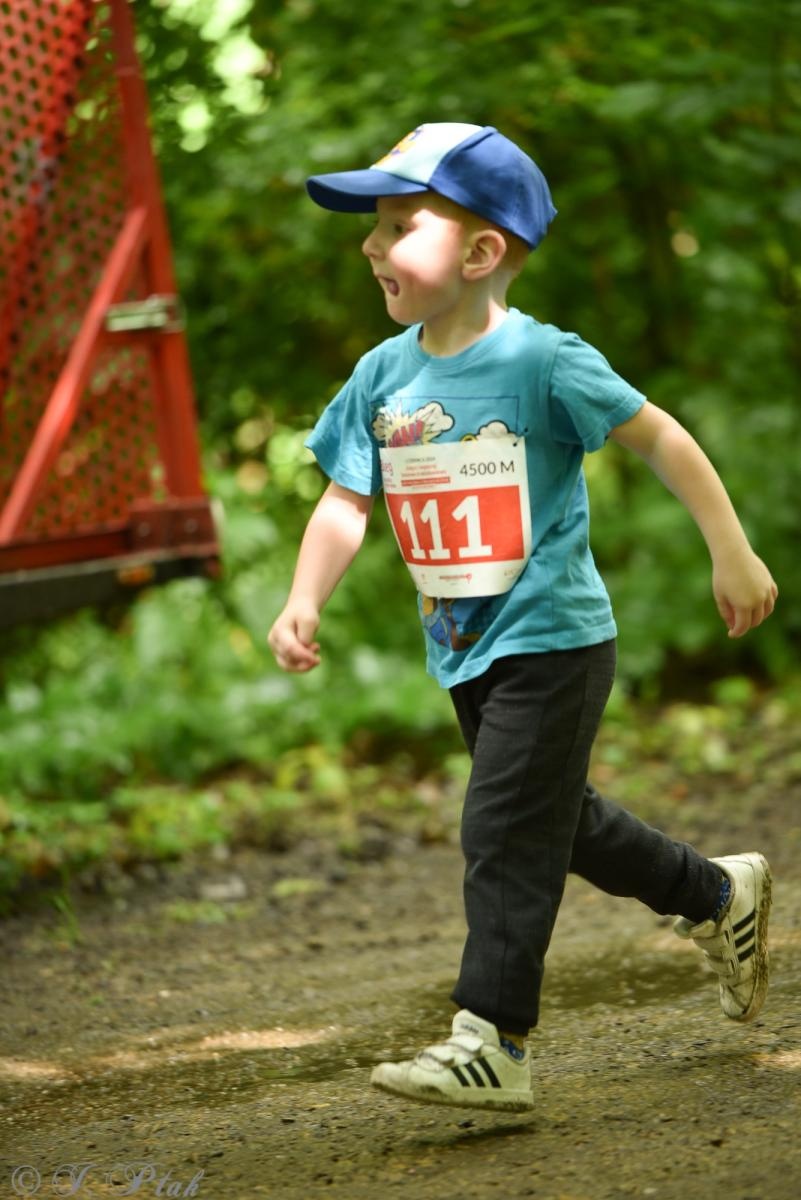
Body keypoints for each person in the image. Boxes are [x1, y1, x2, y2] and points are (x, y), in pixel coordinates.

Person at [267, 123, 778, 1113]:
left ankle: (493, 1041)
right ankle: (721, 893)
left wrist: (731, 546)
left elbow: (660, 437)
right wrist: (302, 597)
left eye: (398, 223)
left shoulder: (543, 363)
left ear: (481, 252)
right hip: (465, 649)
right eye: (371, 227)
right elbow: (345, 498)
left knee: (502, 825)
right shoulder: (384, 376)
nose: (371, 246)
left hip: (555, 639)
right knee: (559, 825)